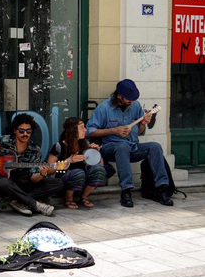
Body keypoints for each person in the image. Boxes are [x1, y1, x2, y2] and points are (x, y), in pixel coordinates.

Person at [86, 79, 172, 208]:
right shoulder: (104, 108)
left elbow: (140, 132)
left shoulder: (135, 105)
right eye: (128, 99)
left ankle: (161, 188)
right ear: (119, 96)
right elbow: (89, 132)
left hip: (132, 146)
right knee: (122, 146)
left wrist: (143, 124)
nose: (131, 102)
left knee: (155, 147)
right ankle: (126, 190)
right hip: (110, 147)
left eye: (133, 99)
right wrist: (114, 130)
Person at [0, 114, 60, 216]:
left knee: (57, 183)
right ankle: (35, 204)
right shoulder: (3, 141)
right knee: (3, 183)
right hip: (3, 181)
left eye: (28, 131)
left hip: (23, 183)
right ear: (15, 130)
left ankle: (20, 201)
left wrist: (42, 173)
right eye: (21, 131)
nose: (25, 134)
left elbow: (34, 179)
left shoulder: (35, 150)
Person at [46, 117, 107, 209]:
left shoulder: (85, 144)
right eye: (82, 127)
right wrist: (68, 161)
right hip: (63, 183)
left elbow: (100, 166)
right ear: (72, 130)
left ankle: (84, 196)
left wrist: (96, 153)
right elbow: (49, 170)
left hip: (81, 183)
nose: (85, 130)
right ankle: (68, 198)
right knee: (78, 172)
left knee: (99, 170)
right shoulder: (59, 146)